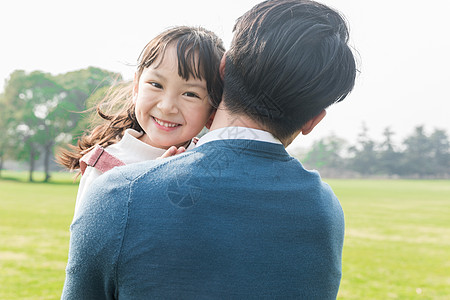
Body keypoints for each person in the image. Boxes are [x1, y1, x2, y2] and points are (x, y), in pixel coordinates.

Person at [62, 0, 357, 298]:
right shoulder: (325, 210)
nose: (167, 105)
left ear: (224, 68)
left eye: (189, 93)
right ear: (313, 120)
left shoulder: (118, 193)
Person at [57, 26, 225, 219]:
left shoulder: (212, 165)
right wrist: (150, 186)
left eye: (190, 94)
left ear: (213, 110)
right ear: (136, 88)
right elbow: (90, 245)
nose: (166, 106)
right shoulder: (105, 167)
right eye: (156, 85)